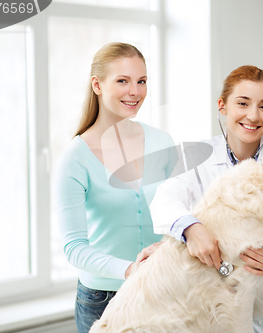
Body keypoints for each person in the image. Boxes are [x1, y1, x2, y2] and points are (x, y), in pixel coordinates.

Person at [150, 65, 263, 333]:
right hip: (223, 297)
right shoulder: (197, 156)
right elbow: (164, 199)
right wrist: (191, 228)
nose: (254, 116)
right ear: (222, 106)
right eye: (243, 103)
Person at [54, 42, 177, 333]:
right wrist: (128, 270)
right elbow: (74, 248)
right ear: (97, 85)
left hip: (162, 290)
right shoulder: (75, 157)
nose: (135, 91)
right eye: (123, 81)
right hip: (102, 300)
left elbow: (181, 214)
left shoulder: (162, 142)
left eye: (141, 81)